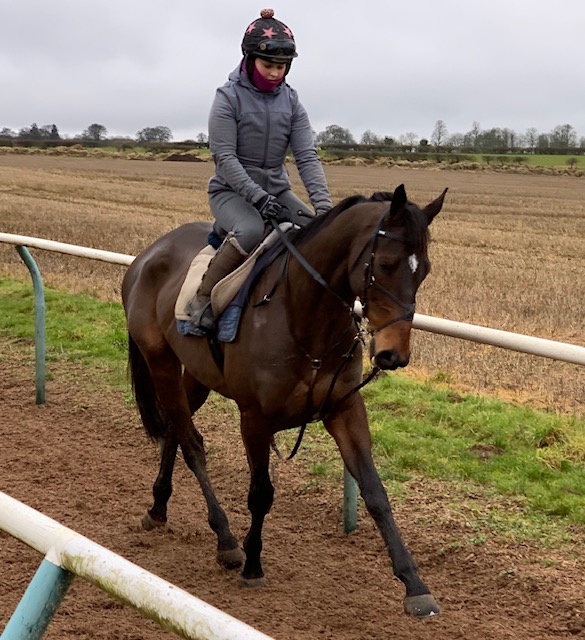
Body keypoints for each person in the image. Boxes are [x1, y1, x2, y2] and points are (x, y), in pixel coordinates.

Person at [189, 8, 333, 333]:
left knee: (317, 233)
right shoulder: (227, 98)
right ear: (250, 59)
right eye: (268, 65)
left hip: (278, 192)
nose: (274, 73)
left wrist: (324, 209)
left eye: (281, 67)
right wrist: (257, 197)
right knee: (252, 230)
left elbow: (307, 156)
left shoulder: (293, 102)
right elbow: (224, 157)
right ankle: (201, 301)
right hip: (230, 193)